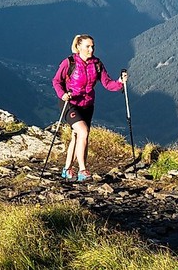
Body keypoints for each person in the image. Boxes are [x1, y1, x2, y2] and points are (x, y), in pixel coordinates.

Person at [51, 34, 127, 182]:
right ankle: (83, 170)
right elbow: (56, 81)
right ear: (78, 47)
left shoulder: (97, 64)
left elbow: (107, 83)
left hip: (87, 105)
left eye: (92, 46)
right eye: (88, 46)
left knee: (77, 136)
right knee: (83, 132)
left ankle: (67, 169)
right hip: (70, 103)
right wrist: (62, 95)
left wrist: (119, 82)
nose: (91, 49)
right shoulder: (69, 62)